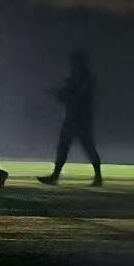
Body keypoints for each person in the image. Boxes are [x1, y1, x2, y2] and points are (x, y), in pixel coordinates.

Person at [39, 49, 103, 186]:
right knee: (69, 146)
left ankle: (97, 177)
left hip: (79, 118)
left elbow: (77, 96)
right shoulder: (79, 78)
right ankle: (96, 177)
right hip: (75, 117)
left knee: (83, 147)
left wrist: (61, 94)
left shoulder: (84, 79)